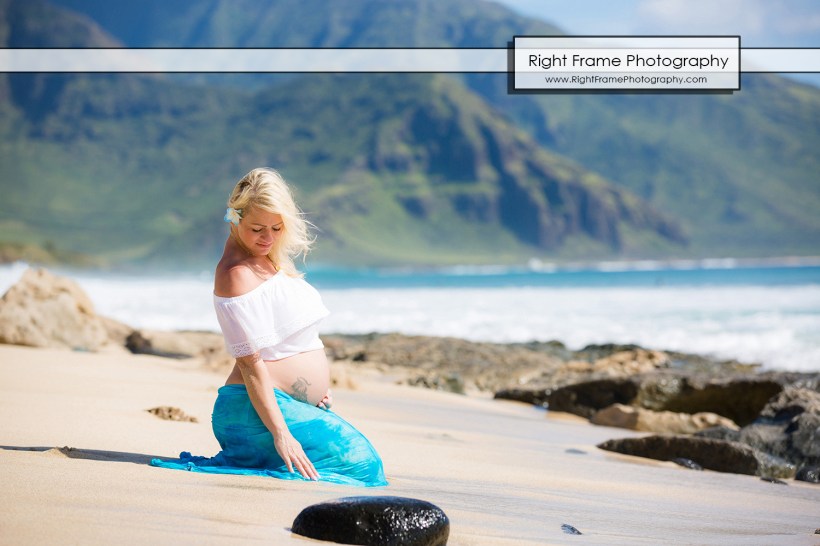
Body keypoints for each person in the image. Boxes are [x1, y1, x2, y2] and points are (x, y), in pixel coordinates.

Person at [150, 168, 387, 487]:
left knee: (361, 465)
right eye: (257, 229)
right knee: (364, 465)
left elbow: (288, 343)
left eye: (277, 227)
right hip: (251, 411)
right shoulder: (235, 274)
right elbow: (250, 364)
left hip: (280, 405)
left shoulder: (268, 260)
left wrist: (309, 394)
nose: (268, 237)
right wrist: (281, 434)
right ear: (235, 219)